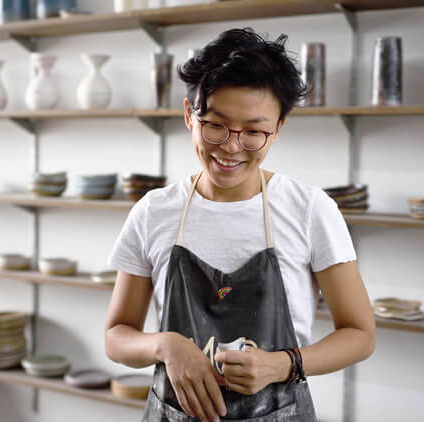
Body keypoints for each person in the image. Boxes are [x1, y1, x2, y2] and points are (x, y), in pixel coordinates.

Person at [104, 28, 375, 422]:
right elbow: (117, 336)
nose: (231, 146)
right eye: (216, 125)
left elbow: (360, 335)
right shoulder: (154, 211)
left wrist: (282, 364)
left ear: (277, 130)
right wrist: (166, 345)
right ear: (188, 116)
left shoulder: (310, 209)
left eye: (253, 132)